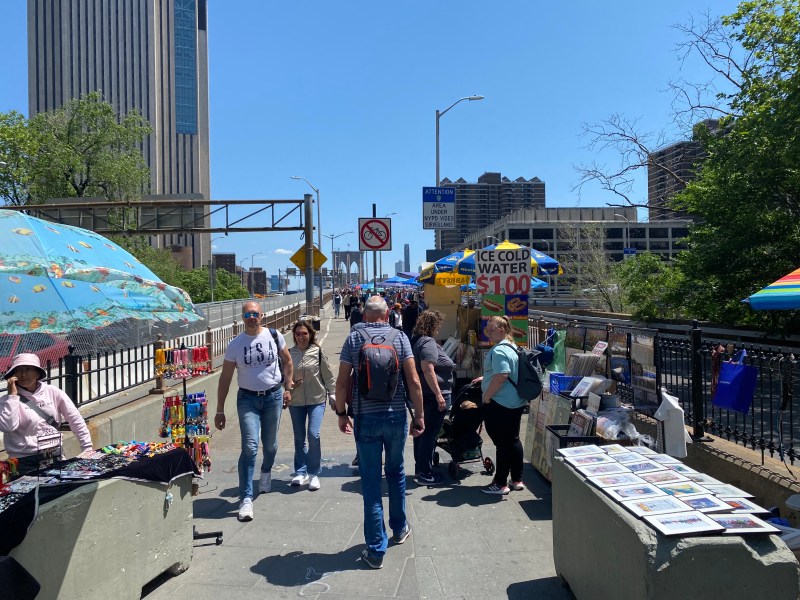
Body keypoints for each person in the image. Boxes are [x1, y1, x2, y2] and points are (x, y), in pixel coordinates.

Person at [334, 295, 425, 569]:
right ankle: (399, 528)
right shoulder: (399, 338)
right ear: (387, 316)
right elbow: (414, 381)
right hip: (396, 416)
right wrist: (419, 415)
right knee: (396, 472)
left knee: (371, 481)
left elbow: (341, 383)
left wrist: (341, 414)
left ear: (364, 316)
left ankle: (375, 550)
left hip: (365, 418)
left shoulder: (354, 338)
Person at [215, 300, 294, 522]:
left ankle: (266, 471)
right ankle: (246, 498)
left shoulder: (274, 335)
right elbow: (225, 378)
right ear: (242, 318)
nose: (251, 317)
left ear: (262, 315)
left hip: (273, 396)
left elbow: (287, 362)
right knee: (250, 447)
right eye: (247, 314)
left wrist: (288, 387)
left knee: (270, 445)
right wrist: (220, 410)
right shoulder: (235, 344)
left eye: (255, 314)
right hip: (247, 399)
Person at [0, 353, 93, 474]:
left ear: (37, 373)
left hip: (54, 454)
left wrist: (87, 447)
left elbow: (74, 418)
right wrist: (12, 397)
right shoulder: (7, 400)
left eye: (28, 369)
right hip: (23, 461)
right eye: (18, 370)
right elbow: (8, 427)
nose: (23, 374)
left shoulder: (52, 391)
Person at [479, 316, 527, 495]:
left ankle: (500, 483)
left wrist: (486, 397)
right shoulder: (512, 346)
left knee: (502, 443)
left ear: (502, 330)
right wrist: (486, 378)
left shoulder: (498, 350)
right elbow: (504, 373)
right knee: (513, 439)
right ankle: (517, 479)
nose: (488, 333)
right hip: (516, 401)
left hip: (501, 402)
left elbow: (502, 375)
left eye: (491, 330)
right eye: (487, 330)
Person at [287, 319, 336, 491]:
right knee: (299, 438)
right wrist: (290, 385)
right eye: (298, 334)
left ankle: (314, 473)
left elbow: (328, 375)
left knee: (313, 435)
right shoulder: (289, 354)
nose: (301, 337)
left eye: (304, 333)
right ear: (294, 335)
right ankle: (301, 472)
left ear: (310, 335)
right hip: (296, 401)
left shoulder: (318, 351)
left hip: (317, 399)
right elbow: (281, 377)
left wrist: (333, 394)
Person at [410, 310, 455, 486]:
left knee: (421, 432)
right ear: (433, 326)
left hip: (423, 393)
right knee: (429, 434)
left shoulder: (416, 340)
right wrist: (438, 394)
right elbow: (428, 368)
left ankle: (421, 468)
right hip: (433, 394)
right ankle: (425, 473)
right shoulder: (427, 342)